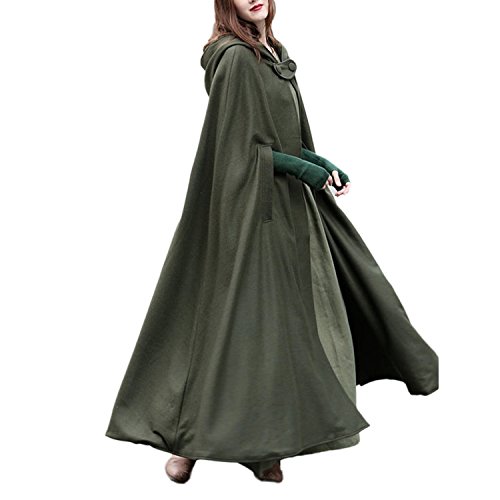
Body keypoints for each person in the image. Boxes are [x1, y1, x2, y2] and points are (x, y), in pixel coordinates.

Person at [105, 0, 439, 485]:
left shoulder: (272, 52)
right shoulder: (236, 59)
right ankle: (187, 447)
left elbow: (281, 139)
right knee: (232, 325)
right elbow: (239, 150)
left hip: (283, 211)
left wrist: (320, 164)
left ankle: (263, 448)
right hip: (246, 214)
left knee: (276, 330)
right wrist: (302, 169)